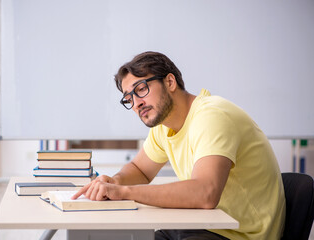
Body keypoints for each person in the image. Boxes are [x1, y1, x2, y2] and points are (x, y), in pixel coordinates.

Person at [72, 51, 285, 240]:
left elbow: (205, 194)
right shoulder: (163, 127)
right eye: (129, 98)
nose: (136, 103)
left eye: (141, 89)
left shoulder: (212, 116)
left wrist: (125, 191)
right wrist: (115, 181)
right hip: (201, 227)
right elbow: (140, 170)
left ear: (170, 82)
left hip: (240, 234)